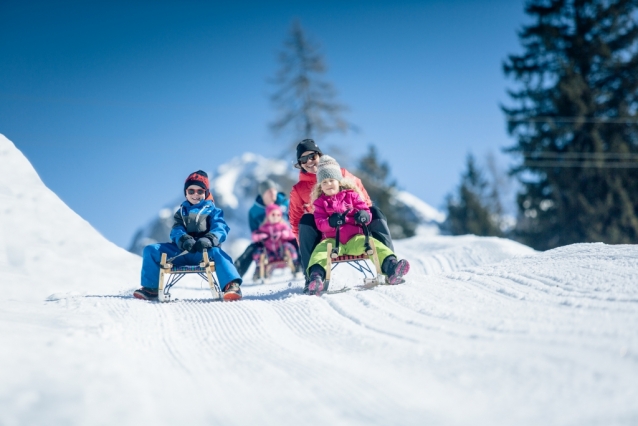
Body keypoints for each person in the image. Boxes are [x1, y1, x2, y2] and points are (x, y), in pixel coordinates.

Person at [288, 139, 395, 287]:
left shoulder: (342, 174)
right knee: (306, 220)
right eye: (303, 159)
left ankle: (390, 267)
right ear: (300, 164)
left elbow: (364, 200)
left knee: (375, 211)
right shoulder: (299, 189)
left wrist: (364, 218)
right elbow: (295, 221)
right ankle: (313, 279)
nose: (309, 161)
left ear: (319, 155)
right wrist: (304, 248)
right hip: (325, 234)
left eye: (312, 156)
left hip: (354, 228)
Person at [305, 155, 410, 295]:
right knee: (320, 252)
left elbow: (366, 211)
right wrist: (330, 222)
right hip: (333, 242)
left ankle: (392, 268)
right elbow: (320, 224)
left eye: (331, 180)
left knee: (373, 244)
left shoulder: (352, 196)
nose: (328, 184)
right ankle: (316, 278)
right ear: (320, 186)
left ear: (339, 181)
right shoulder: (320, 203)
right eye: (324, 182)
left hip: (355, 239)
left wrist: (364, 216)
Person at [134, 170, 243, 301]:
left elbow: (220, 227)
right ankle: (150, 288)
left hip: (204, 253)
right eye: (191, 191)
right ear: (186, 193)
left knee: (219, 253)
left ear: (206, 192)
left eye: (200, 191)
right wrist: (183, 239)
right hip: (181, 252)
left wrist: (209, 239)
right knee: (151, 250)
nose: (195, 194)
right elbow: (176, 230)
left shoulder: (213, 211)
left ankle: (231, 286)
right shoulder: (181, 212)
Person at [233, 179, 296, 278]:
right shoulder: (254, 211)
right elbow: (254, 231)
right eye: (269, 191)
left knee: (298, 241)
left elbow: (295, 220)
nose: (273, 193)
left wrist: (287, 232)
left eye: (274, 190)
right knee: (251, 249)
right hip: (266, 242)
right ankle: (234, 276)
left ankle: (303, 266)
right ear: (263, 194)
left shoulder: (285, 204)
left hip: (285, 238)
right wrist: (261, 236)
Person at [251, 204, 299, 278]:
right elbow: (254, 236)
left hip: (282, 252)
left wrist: (283, 234)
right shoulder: (263, 227)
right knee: (259, 251)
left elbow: (291, 233)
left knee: (288, 246)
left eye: (278, 215)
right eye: (273, 214)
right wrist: (260, 236)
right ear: (268, 215)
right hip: (269, 253)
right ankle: (259, 268)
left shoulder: (283, 226)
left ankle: (295, 264)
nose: (276, 217)